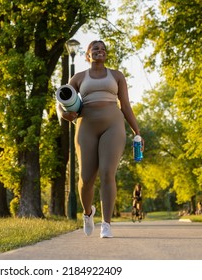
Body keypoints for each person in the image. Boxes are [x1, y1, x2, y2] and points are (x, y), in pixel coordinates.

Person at [57, 40, 143, 238]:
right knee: (86, 178)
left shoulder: (116, 76)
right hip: (86, 125)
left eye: (103, 49)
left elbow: (126, 105)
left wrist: (137, 131)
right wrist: (64, 114)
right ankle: (88, 213)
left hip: (113, 125)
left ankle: (106, 224)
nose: (100, 51)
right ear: (87, 55)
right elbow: (62, 101)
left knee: (107, 173)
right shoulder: (78, 77)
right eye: (95, 49)